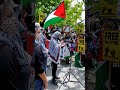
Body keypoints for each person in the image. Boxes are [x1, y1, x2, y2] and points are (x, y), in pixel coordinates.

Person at [0, 0, 31, 89]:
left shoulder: (12, 38)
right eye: (9, 16)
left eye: (14, 14)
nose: (14, 19)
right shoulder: (4, 50)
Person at [34, 23, 48, 90]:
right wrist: (45, 80)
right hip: (37, 79)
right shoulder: (35, 46)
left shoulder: (38, 43)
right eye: (39, 32)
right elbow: (38, 67)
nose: (40, 34)